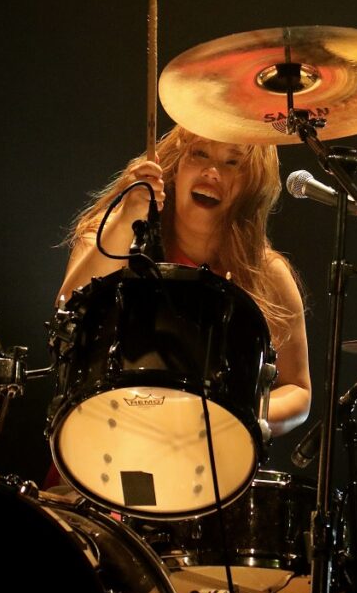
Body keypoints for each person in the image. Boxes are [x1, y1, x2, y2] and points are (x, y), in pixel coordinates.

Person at [58, 124, 310, 436]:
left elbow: (298, 390)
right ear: (176, 167)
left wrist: (234, 415)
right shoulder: (111, 234)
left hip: (208, 455)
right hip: (104, 438)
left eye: (233, 162)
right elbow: (67, 311)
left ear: (253, 185)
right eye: (199, 154)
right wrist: (126, 218)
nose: (212, 172)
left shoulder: (267, 272)